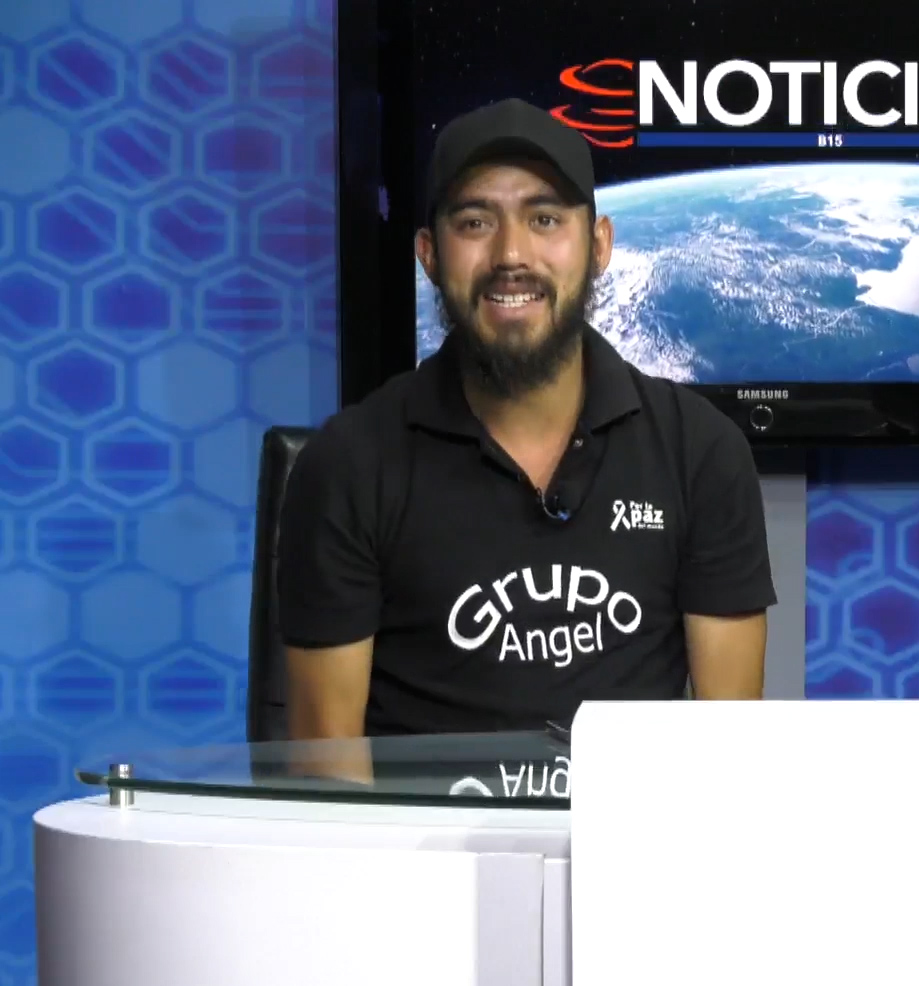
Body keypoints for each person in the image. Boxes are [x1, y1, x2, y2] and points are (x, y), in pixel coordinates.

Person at [277, 98, 776, 748]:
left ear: (599, 245)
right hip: (417, 822)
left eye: (545, 219)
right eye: (475, 222)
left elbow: (728, 755)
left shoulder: (701, 454)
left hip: (624, 820)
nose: (511, 253)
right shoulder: (348, 466)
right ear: (429, 255)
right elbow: (329, 770)